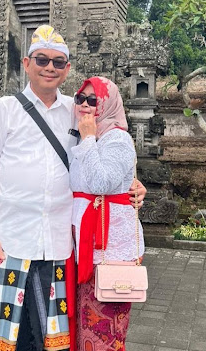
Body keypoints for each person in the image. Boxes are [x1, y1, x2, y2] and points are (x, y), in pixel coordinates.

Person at [0, 25, 145, 351]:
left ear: (66, 69)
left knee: (51, 340)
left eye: (58, 62)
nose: (49, 67)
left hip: (60, 243)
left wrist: (130, 184)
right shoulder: (5, 109)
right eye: (42, 60)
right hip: (9, 239)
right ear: (27, 64)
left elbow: (101, 154)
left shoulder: (77, 110)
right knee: (2, 338)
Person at [70, 76, 144, 351]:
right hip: (86, 247)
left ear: (107, 104)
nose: (85, 105)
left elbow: (102, 183)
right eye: (80, 99)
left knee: (105, 333)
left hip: (111, 250)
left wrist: (89, 139)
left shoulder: (117, 139)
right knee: (86, 329)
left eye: (93, 100)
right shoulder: (82, 136)